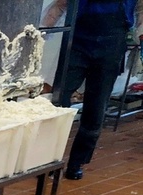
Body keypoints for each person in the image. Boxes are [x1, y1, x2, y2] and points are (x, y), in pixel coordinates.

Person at [42, 0, 143, 179]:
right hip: (77, 42)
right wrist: (42, 33)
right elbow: (61, 4)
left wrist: (140, 35)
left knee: (96, 108)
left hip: (112, 45)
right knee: (58, 103)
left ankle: (77, 163)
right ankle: (49, 160)